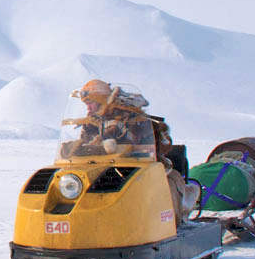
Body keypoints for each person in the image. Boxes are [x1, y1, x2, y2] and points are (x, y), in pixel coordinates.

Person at [74, 79, 195, 226]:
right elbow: (84, 146)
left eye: (90, 103)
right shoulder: (91, 124)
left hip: (138, 170)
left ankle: (161, 227)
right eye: (86, 105)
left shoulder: (134, 119)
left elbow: (139, 146)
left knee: (160, 193)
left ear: (101, 101)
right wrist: (75, 148)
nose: (88, 108)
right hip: (101, 169)